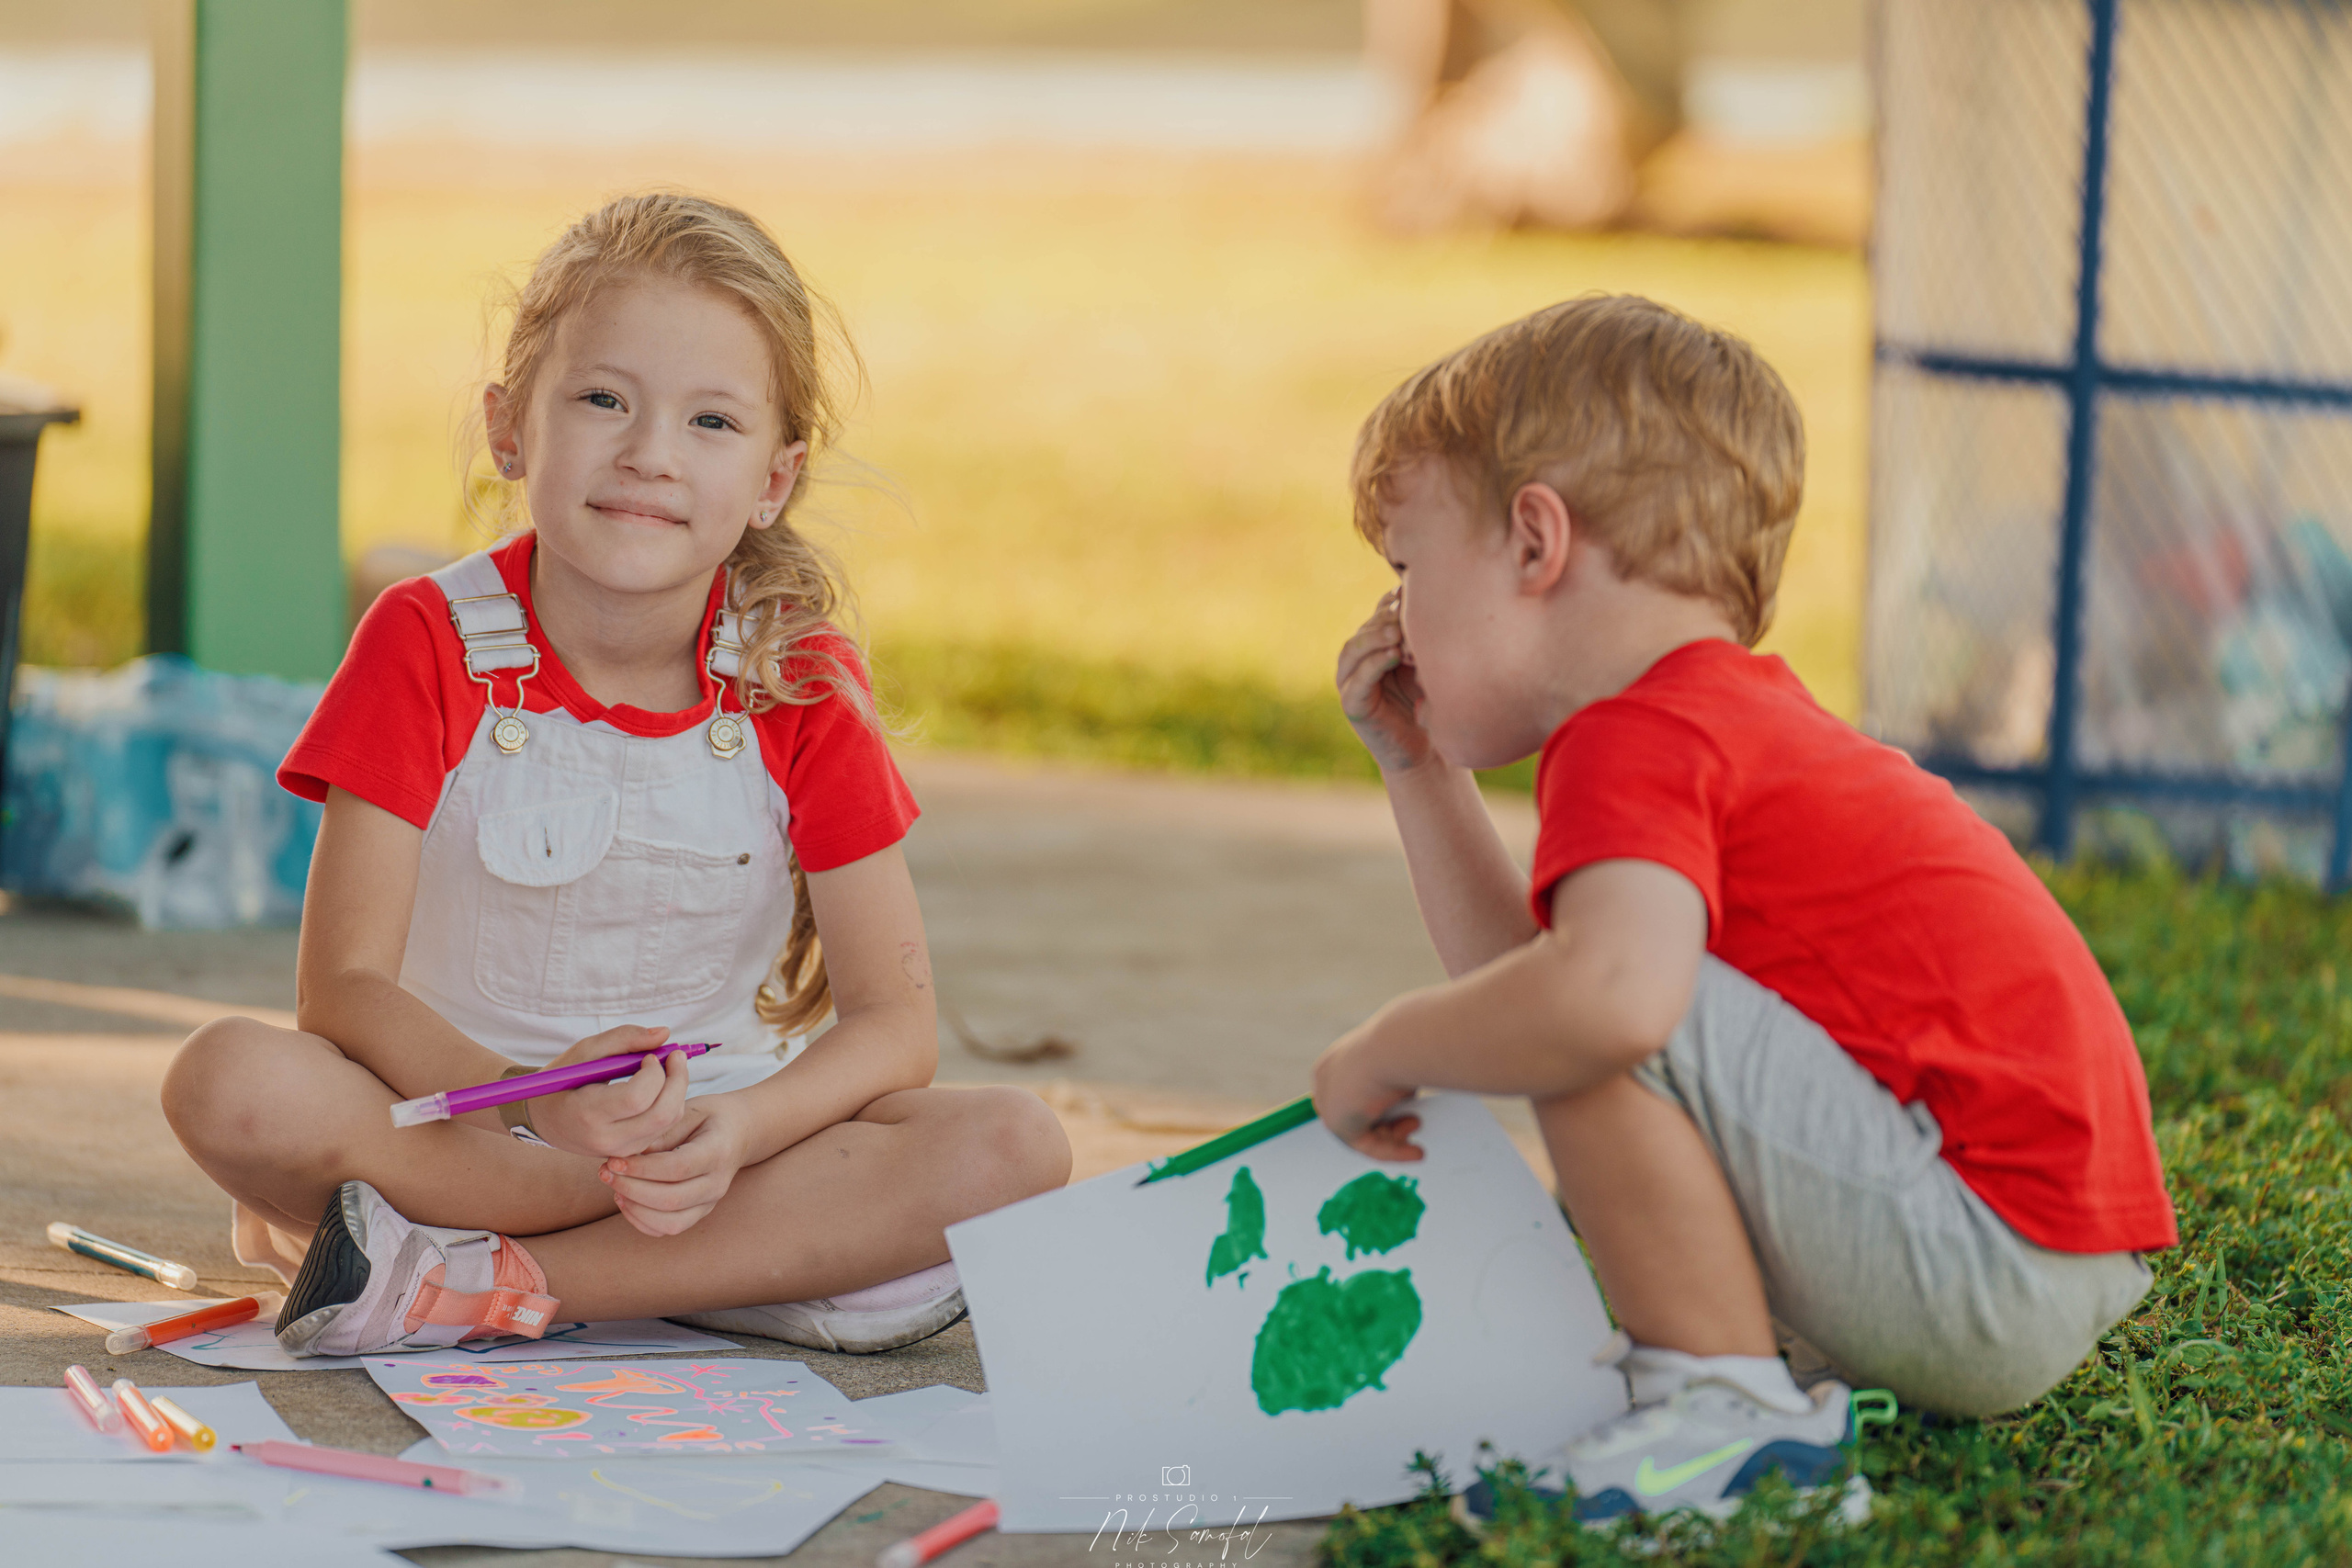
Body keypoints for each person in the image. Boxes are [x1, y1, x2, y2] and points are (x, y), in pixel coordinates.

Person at [1312, 296, 2174, 1526]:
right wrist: (1419, 767)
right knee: (1575, 995)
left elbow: (1597, 1002)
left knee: (1593, 1000)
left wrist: (1384, 1044)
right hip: (2022, 1253)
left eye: (1406, 567)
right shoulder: (1709, 717)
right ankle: (1731, 1389)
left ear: (1533, 540)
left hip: (1981, 1249)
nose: (1394, 618)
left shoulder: (1636, 735)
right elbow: (1531, 979)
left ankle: (1724, 1419)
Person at [163, 193, 1070, 1359]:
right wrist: (531, 1097)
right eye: (602, 400)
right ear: (509, 428)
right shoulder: (422, 638)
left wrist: (737, 1133)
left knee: (1013, 1150)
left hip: (710, 1140)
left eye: (711, 422)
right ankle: (735, 1265)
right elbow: (340, 991)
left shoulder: (800, 676)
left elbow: (895, 1028)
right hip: (467, 1127)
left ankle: (467, 1279)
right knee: (230, 1081)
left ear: (776, 479)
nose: (649, 454)